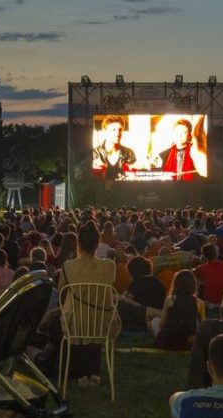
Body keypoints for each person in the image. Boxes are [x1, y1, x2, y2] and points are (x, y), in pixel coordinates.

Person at [57, 222, 120, 387]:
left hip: (76, 323)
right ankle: (93, 372)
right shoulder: (109, 266)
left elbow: (61, 290)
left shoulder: (68, 267)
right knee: (92, 322)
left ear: (79, 243)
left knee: (76, 319)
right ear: (97, 244)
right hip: (103, 323)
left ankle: (81, 373)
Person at [151, 270, 206, 351]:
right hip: (188, 343)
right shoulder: (199, 302)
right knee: (197, 322)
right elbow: (203, 327)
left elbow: (162, 324)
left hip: (166, 342)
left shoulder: (170, 299)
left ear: (176, 283)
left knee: (154, 321)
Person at [117, 256, 165, 328]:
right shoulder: (159, 283)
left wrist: (120, 298)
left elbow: (126, 299)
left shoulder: (137, 282)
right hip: (157, 310)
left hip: (142, 313)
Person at [92, 115, 137, 181]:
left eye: (120, 130)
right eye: (113, 130)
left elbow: (133, 177)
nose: (117, 133)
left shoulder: (129, 153)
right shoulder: (95, 153)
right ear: (105, 131)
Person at [194, 243, 223, 307]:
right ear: (216, 253)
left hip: (209, 300)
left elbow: (193, 274)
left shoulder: (201, 269)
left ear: (204, 256)